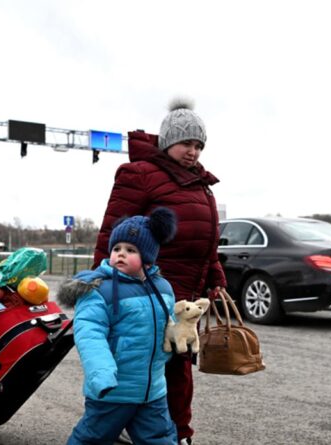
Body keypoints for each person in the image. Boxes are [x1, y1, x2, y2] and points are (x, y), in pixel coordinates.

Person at [92, 99, 226, 445]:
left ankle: (174, 432)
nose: (193, 151)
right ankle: (135, 426)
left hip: (185, 293)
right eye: (186, 143)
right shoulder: (140, 175)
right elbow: (112, 233)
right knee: (147, 363)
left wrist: (216, 280)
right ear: (167, 142)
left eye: (198, 145)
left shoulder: (201, 186)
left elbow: (207, 243)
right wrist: (98, 282)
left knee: (177, 365)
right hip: (147, 290)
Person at [59, 207, 179, 445]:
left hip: (153, 391)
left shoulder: (163, 287)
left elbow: (169, 327)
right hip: (113, 390)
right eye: (117, 249)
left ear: (148, 256)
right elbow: (89, 335)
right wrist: (101, 374)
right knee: (91, 438)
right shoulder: (98, 290)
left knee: (160, 439)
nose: (120, 254)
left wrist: (179, 341)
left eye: (130, 250)